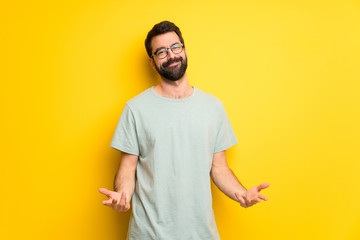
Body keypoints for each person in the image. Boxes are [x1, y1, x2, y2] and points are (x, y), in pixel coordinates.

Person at [99, 20, 270, 240]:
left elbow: (219, 168)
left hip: (200, 234)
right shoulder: (136, 109)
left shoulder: (212, 107)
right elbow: (127, 168)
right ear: (152, 63)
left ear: (185, 50)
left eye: (175, 47)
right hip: (149, 234)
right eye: (161, 52)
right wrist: (122, 196)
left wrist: (242, 194)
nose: (170, 55)